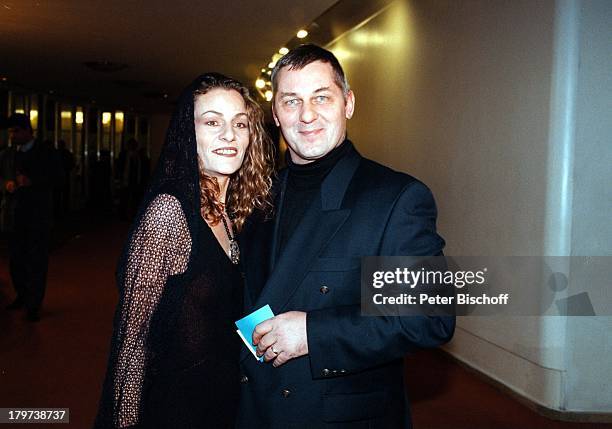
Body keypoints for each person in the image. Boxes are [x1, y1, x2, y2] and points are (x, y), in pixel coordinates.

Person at [237, 44, 455, 428]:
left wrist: (312, 333)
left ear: (348, 103)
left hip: (337, 416)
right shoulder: (256, 195)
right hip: (254, 410)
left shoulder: (395, 198)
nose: (307, 115)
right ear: (275, 115)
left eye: (321, 97)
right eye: (291, 101)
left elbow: (430, 315)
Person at [94, 73, 274, 429]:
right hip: (175, 407)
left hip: (222, 401)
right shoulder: (169, 212)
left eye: (240, 123)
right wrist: (125, 421)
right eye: (212, 122)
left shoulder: (232, 211)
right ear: (186, 133)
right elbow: (132, 337)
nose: (229, 134)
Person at [0, 113, 61, 322]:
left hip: (37, 215)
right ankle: (23, 295)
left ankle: (34, 303)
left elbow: (57, 177)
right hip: (16, 214)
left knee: (36, 259)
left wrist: (32, 181)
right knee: (16, 259)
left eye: (16, 131)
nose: (12, 135)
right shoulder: (9, 155)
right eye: (10, 132)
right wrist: (8, 184)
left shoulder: (44, 152)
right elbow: (4, 176)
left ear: (28, 131)